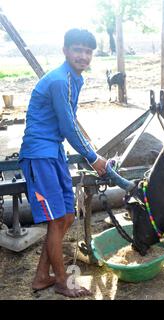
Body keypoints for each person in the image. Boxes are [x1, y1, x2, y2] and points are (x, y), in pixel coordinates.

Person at [18, 28, 107, 297]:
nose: (83, 56)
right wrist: (93, 158)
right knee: (57, 220)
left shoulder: (73, 78)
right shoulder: (59, 80)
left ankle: (42, 276)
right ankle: (60, 281)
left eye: (88, 51)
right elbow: (68, 126)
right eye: (78, 49)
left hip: (53, 151)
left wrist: (92, 152)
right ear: (65, 50)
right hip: (39, 154)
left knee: (66, 216)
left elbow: (66, 125)